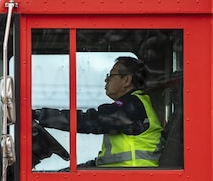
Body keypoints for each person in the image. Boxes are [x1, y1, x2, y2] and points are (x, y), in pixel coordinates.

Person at [33, 56, 162, 167]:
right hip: (123, 173)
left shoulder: (132, 107)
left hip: (132, 177)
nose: (106, 80)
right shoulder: (134, 104)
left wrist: (42, 115)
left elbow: (91, 121)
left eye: (111, 75)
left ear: (126, 80)